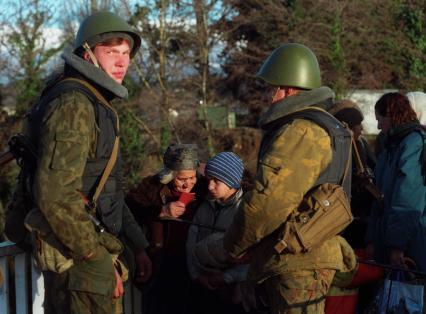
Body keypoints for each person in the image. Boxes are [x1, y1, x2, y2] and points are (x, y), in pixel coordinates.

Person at [5, 11, 152, 313]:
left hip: (86, 257)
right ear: (87, 54)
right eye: (112, 52)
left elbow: (105, 188)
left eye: (126, 54)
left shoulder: (96, 102)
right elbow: (55, 195)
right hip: (79, 262)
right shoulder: (74, 104)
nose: (123, 62)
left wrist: (138, 246)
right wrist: (94, 256)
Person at [222, 43, 357, 314]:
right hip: (307, 256)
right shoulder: (324, 125)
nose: (267, 96)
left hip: (296, 264)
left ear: (289, 89)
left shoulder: (300, 131)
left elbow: (268, 203)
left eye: (271, 88)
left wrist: (231, 246)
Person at [126, 143, 207, 314]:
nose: (187, 184)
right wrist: (160, 211)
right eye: (181, 179)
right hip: (163, 264)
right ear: (169, 175)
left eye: (192, 178)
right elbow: (129, 208)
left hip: (197, 263)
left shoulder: (205, 187)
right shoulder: (152, 187)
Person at [366, 92, 426, 272]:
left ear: (392, 116)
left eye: (380, 119)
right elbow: (379, 197)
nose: (377, 126)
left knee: (408, 297)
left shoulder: (413, 144)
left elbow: (407, 200)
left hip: (409, 246)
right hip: (388, 241)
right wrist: (371, 239)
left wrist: (397, 246)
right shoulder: (391, 146)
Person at [186, 151, 248, 314]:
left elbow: (252, 256)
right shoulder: (205, 207)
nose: (209, 186)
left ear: (232, 182)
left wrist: (226, 278)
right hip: (202, 287)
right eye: (208, 179)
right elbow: (191, 242)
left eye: (216, 180)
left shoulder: (245, 211)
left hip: (232, 291)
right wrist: (197, 276)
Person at [329, 100, 376, 249]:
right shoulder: (334, 148)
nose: (362, 128)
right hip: (342, 216)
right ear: (347, 126)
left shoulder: (361, 145)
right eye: (358, 125)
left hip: (360, 215)